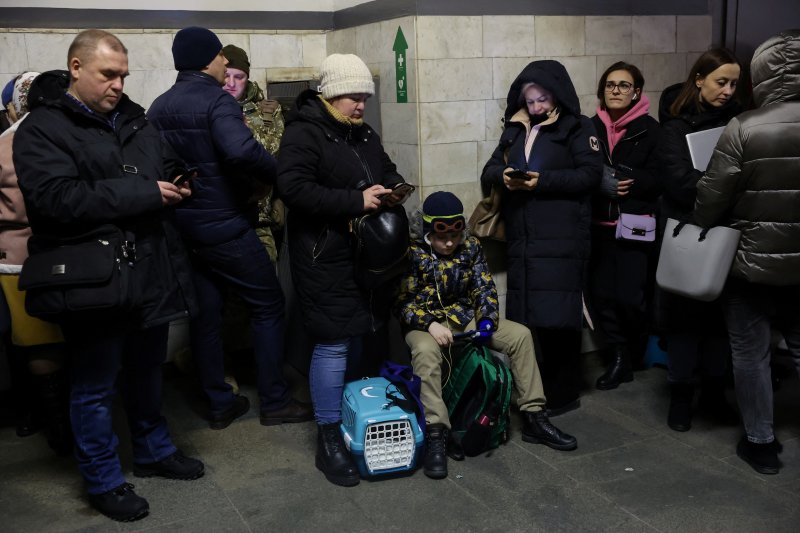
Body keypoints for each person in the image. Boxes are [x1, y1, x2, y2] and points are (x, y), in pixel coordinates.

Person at [12, 30, 204, 522]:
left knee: (146, 373)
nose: (118, 84)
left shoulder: (136, 120)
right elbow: (55, 200)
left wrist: (180, 176)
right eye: (107, 74)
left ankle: (154, 450)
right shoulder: (44, 128)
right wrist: (144, 193)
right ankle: (101, 479)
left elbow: (158, 166)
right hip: (93, 280)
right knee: (95, 385)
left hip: (149, 269)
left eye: (123, 74)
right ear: (76, 68)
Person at [148, 27, 312, 430]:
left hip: (184, 227)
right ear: (207, 59)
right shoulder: (216, 101)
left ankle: (219, 402)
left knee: (206, 316)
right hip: (224, 225)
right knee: (269, 305)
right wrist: (277, 175)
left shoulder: (159, 106)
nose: (226, 63)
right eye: (221, 56)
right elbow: (241, 149)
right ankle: (275, 400)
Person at [276, 53, 412, 487]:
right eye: (354, 96)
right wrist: (355, 202)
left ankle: (359, 412)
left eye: (365, 98)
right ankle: (329, 436)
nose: (361, 105)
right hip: (323, 254)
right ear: (330, 93)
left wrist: (392, 188)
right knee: (333, 340)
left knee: (364, 331)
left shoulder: (363, 133)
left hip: (364, 255)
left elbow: (384, 168)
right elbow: (294, 190)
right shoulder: (304, 133)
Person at [395, 191, 577, 480]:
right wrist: (430, 323)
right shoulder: (411, 252)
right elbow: (402, 302)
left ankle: (534, 416)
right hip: (424, 325)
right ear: (429, 232)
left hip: (464, 317)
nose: (450, 243)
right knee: (427, 354)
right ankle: (436, 434)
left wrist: (488, 320)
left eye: (455, 235)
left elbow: (484, 288)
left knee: (519, 336)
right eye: (442, 238)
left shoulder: (471, 247)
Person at [694, 29, 800, 475]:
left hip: (751, 265)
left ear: (762, 73)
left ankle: (761, 443)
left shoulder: (746, 127)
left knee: (750, 352)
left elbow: (710, 201)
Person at [480, 60, 603, 415]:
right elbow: (489, 168)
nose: (535, 108)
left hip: (563, 238)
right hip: (525, 238)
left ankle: (564, 393)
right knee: (531, 319)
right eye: (530, 101)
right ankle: (537, 391)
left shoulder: (579, 127)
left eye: (542, 100)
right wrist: (505, 176)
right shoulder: (516, 128)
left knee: (560, 319)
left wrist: (542, 181)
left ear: (558, 95)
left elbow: (590, 176)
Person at [656, 48, 742, 432]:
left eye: (734, 83)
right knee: (683, 321)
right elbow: (678, 182)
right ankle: (680, 394)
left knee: (720, 321)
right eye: (721, 82)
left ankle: (714, 393)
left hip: (727, 236)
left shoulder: (739, 123)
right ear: (699, 80)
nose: (727, 90)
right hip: (687, 234)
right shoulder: (675, 127)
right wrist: (725, 188)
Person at [0, 71, 72, 455]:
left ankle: (55, 429)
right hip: (74, 255)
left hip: (20, 260)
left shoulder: (7, 144)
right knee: (68, 342)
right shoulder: (75, 134)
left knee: (37, 347)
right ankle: (69, 425)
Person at [589, 62, 661, 390]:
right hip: (598, 226)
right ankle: (619, 356)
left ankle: (635, 348)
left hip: (634, 226)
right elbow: (580, 170)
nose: (616, 90)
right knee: (602, 296)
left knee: (631, 296)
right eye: (610, 85)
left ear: (636, 93)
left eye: (624, 85)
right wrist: (600, 182)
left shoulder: (650, 129)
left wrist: (627, 176)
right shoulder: (588, 128)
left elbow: (662, 178)